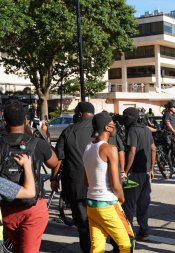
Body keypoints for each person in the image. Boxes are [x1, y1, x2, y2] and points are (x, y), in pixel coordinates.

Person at [52, 102, 124, 253]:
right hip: (107, 190)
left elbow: (59, 158)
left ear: (78, 114)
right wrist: (122, 173)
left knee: (85, 227)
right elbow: (120, 150)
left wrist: (53, 178)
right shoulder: (108, 129)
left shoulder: (69, 131)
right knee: (115, 227)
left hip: (78, 188)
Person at [1, 102, 58, 253]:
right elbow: (54, 162)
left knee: (17, 248)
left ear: (4, 121)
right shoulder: (36, 143)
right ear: (26, 120)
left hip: (7, 208)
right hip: (32, 208)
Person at [83, 112, 134, 252]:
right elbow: (115, 184)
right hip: (108, 204)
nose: (114, 126)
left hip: (92, 204)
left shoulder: (87, 148)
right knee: (127, 242)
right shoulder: (110, 149)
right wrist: (121, 197)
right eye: (112, 124)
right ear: (107, 127)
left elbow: (86, 181)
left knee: (97, 247)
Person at [122, 107, 156, 242]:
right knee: (143, 204)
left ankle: (128, 235)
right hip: (146, 173)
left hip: (134, 173)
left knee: (128, 205)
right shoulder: (146, 130)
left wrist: (125, 170)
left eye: (125, 117)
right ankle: (144, 231)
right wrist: (152, 168)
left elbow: (132, 151)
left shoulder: (132, 130)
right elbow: (153, 150)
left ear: (130, 118)